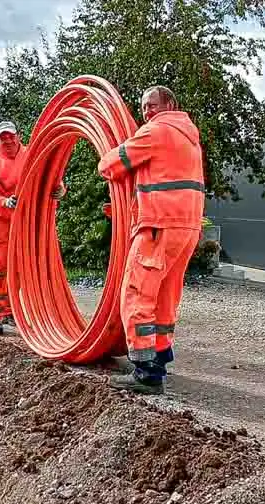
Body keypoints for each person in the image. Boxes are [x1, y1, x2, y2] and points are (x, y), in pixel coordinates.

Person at [97, 86, 206, 395]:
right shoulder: (189, 137)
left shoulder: (156, 132)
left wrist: (116, 150)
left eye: (152, 105)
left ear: (169, 103)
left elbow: (109, 166)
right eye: (144, 107)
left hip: (159, 226)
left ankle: (146, 373)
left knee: (137, 293)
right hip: (186, 228)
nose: (147, 112)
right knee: (164, 295)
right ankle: (159, 358)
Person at [0, 120, 66, 335]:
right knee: (0, 266)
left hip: (29, 221)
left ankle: (9, 311)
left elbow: (52, 177)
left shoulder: (34, 155)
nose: (7, 140)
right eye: (2, 137)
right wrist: (4, 202)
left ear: (18, 136)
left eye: (10, 135)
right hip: (3, 223)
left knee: (20, 268)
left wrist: (60, 189)